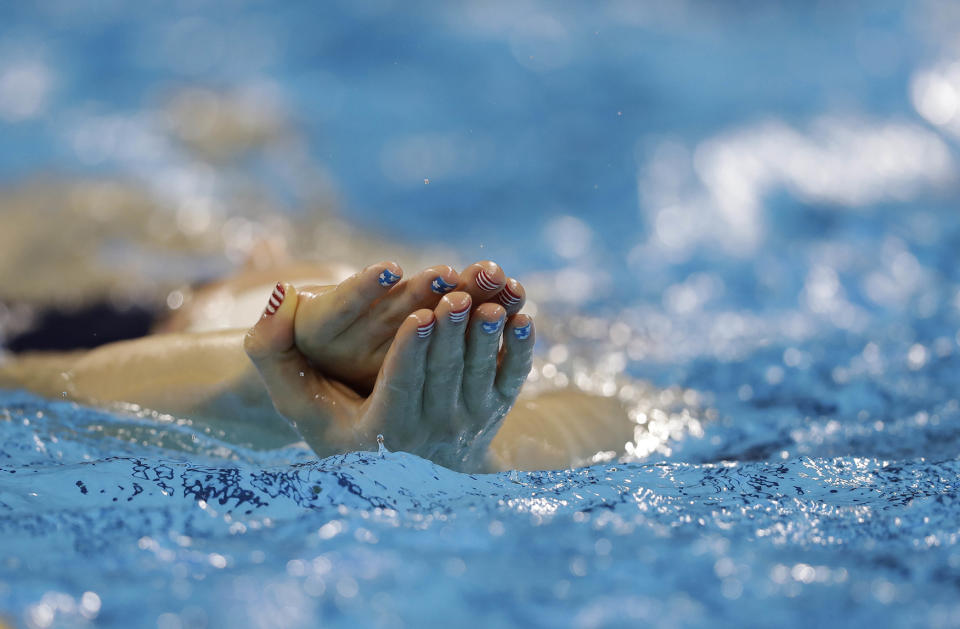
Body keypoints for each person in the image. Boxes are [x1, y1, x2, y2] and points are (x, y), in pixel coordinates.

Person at [0, 260, 633, 472]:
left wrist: (474, 448)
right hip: (164, 309)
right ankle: (264, 370)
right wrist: (483, 453)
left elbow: (651, 408)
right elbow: (652, 415)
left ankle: (265, 372)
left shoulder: (512, 343)